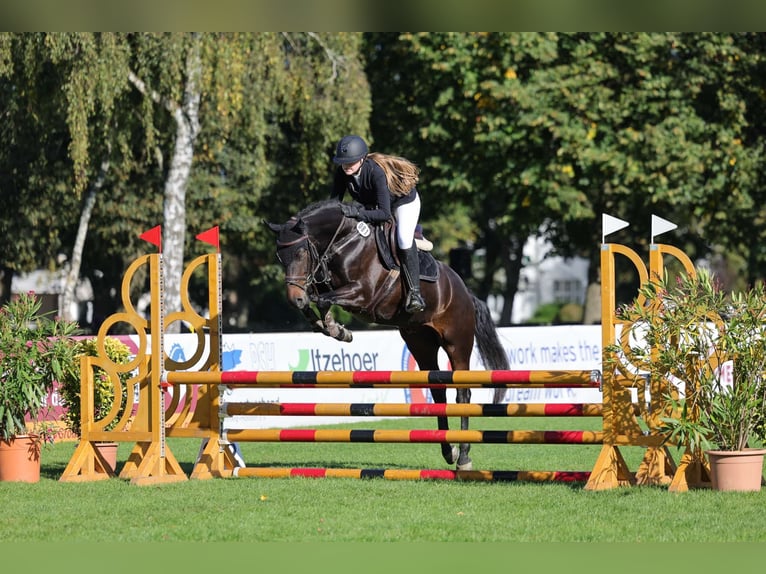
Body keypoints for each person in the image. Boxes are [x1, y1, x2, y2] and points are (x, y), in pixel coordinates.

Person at [330, 134, 426, 313]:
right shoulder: (342, 173)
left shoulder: (375, 172)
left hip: (403, 203)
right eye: (343, 162)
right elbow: (334, 204)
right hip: (374, 205)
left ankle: (415, 293)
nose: (346, 166)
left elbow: (384, 214)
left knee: (403, 239)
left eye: (350, 162)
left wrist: (356, 212)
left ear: (362, 159)